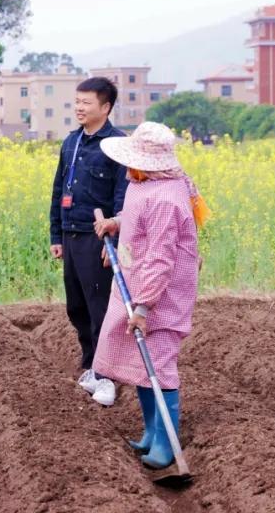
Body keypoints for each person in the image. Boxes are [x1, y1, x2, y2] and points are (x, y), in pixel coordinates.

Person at [92, 121, 209, 470]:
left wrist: (143, 307)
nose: (127, 166)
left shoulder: (166, 198)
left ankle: (165, 443)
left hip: (162, 291)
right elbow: (136, 218)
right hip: (138, 279)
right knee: (144, 363)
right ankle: (150, 432)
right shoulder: (143, 183)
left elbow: (160, 258)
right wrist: (116, 224)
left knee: (158, 362)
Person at [49, 77, 129, 406]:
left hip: (99, 239)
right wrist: (56, 235)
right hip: (71, 234)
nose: (79, 108)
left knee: (100, 308)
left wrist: (117, 242)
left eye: (86, 102)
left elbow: (124, 198)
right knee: (77, 306)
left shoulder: (118, 145)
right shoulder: (71, 142)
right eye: (77, 102)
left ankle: (106, 374)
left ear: (106, 107)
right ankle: (91, 366)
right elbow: (59, 191)